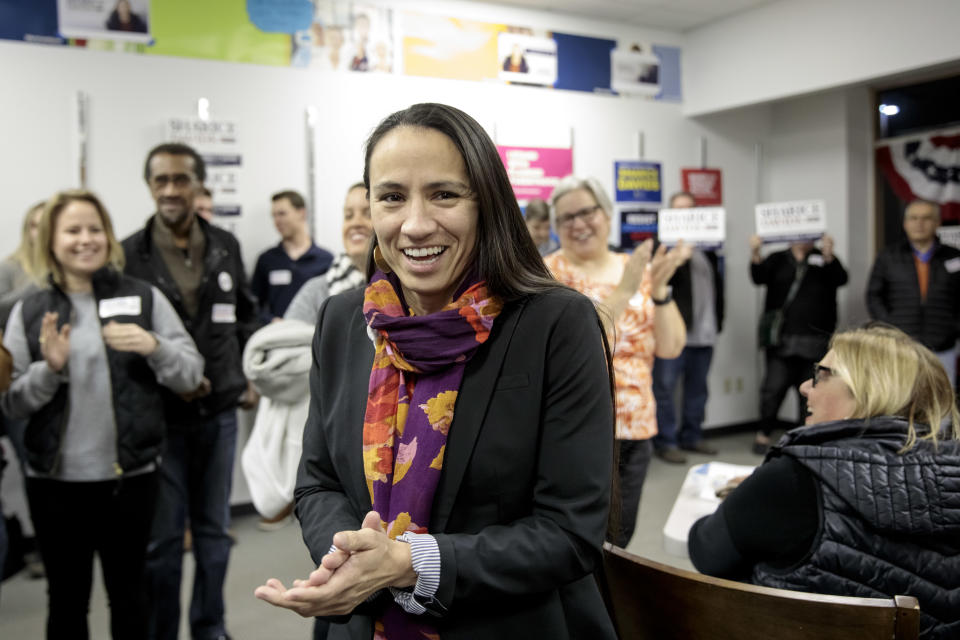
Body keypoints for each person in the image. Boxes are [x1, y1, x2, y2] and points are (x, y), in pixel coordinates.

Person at [255, 103, 617, 639]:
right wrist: (352, 556)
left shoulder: (555, 324)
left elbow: (569, 533)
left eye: (445, 194)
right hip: (364, 622)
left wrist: (409, 562)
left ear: (487, 204)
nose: (416, 223)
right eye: (392, 197)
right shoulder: (341, 321)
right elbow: (318, 482)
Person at [1, 189, 203, 639]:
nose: (85, 239)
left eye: (95, 229)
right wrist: (48, 371)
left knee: (130, 594)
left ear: (109, 237)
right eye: (73, 230)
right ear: (51, 240)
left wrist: (154, 346)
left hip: (130, 479)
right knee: (67, 599)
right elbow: (11, 402)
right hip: (54, 484)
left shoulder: (143, 297)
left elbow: (191, 373)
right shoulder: (29, 309)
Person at [688, 324, 960, 639]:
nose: (805, 386)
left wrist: (753, 495)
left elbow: (706, 552)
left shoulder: (797, 478)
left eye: (822, 374)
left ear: (870, 390)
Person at [122, 142, 259, 640]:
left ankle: (210, 627)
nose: (171, 190)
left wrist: (247, 374)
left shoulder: (225, 244)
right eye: (161, 180)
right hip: (161, 418)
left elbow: (245, 314)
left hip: (219, 413)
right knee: (161, 544)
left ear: (199, 185)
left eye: (181, 179)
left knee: (214, 536)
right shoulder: (128, 255)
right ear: (150, 186)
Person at [544, 175, 687, 548]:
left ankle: (613, 606)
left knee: (621, 537)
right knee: (578, 539)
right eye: (566, 218)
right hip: (575, 425)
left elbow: (671, 347)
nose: (578, 224)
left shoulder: (636, 266)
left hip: (635, 425)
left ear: (606, 214)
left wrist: (658, 291)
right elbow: (579, 347)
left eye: (587, 212)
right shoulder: (547, 276)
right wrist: (625, 290)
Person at [750, 233, 847, 455]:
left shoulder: (823, 258)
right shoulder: (777, 258)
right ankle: (763, 433)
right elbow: (758, 277)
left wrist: (829, 255)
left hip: (816, 339)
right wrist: (755, 252)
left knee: (810, 391)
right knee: (772, 390)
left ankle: (805, 436)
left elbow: (841, 279)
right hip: (782, 339)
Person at [652, 191, 725, 463]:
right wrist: (677, 258)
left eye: (689, 210)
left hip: (704, 334)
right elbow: (655, 283)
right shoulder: (662, 248)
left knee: (698, 389)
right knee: (665, 388)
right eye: (678, 210)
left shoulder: (709, 249)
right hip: (673, 333)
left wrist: (720, 320)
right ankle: (666, 442)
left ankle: (692, 437)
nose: (684, 215)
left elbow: (718, 289)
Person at [867, 199, 960, 387]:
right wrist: (889, 325)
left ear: (937, 223)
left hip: (943, 346)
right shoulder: (889, 256)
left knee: (941, 406)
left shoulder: (954, 257)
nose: (919, 223)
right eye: (914, 218)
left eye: (926, 218)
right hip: (900, 345)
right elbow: (873, 295)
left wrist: (953, 327)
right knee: (899, 403)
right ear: (905, 223)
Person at [284, 181, 373, 324]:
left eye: (368, 214)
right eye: (348, 216)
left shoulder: (408, 289)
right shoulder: (316, 292)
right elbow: (286, 340)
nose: (355, 223)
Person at [250, 190, 333, 323]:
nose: (277, 221)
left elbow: (334, 305)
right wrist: (270, 320)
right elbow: (252, 307)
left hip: (314, 336)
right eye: (274, 216)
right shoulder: (267, 259)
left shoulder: (325, 260)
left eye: (282, 214)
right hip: (277, 336)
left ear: (301, 213)